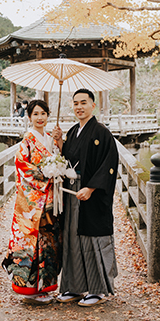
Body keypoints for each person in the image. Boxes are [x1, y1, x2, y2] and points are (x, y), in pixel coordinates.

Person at [52, 88, 119, 307]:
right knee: (73, 237)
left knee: (92, 238)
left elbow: (109, 164)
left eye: (84, 102)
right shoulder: (72, 131)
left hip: (91, 194)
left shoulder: (101, 132)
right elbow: (70, 159)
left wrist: (91, 188)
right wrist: (61, 143)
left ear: (93, 105)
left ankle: (97, 289)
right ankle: (75, 286)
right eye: (76, 103)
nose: (79, 107)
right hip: (73, 193)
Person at [2, 100, 62, 305]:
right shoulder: (28, 139)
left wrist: (58, 150)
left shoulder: (49, 138)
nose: (40, 117)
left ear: (48, 115)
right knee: (32, 243)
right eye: (35, 114)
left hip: (50, 198)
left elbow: (59, 159)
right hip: (33, 200)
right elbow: (21, 166)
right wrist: (44, 173)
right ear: (29, 117)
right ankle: (30, 288)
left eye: (43, 113)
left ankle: (44, 286)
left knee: (49, 241)